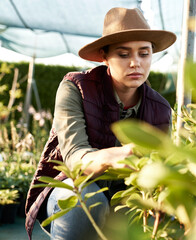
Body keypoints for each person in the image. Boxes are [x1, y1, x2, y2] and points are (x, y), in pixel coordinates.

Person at [25, 7, 176, 240]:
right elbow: (75, 158)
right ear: (105, 57)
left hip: (125, 201)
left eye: (144, 54)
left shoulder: (161, 109)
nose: (135, 63)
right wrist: (118, 154)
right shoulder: (76, 88)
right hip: (74, 190)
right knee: (88, 198)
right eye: (124, 54)